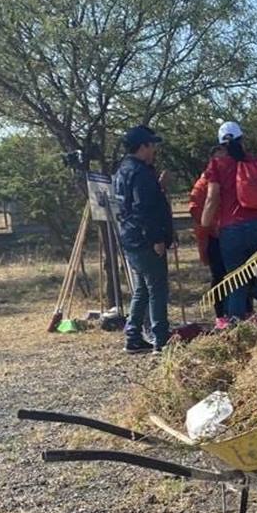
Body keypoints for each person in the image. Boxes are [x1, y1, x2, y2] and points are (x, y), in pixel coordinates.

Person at [201, 121, 257, 321]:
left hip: (233, 231)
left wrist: (204, 227)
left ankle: (237, 328)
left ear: (221, 144)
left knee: (237, 282)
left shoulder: (217, 165)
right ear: (242, 139)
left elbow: (212, 198)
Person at [114, 125, 174, 354]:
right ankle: (161, 340)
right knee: (157, 289)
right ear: (142, 147)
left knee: (142, 289)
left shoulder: (123, 171)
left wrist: (159, 187)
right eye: (151, 145)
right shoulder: (140, 173)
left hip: (130, 238)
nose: (154, 150)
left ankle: (133, 337)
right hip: (145, 240)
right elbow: (144, 209)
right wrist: (157, 238)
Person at [190, 145, 231, 329]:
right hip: (215, 236)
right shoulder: (203, 182)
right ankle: (220, 315)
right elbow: (196, 208)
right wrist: (209, 225)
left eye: (225, 158)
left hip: (234, 233)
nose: (222, 162)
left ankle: (244, 311)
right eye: (218, 159)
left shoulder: (236, 175)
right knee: (219, 276)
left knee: (242, 274)